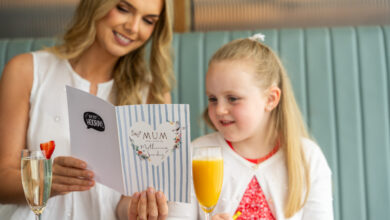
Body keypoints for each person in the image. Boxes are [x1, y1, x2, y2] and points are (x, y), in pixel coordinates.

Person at [0, 0, 174, 219]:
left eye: (148, 21)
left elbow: (124, 204)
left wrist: (137, 210)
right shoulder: (27, 71)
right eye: (123, 9)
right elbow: (2, 181)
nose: (134, 27)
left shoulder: (152, 94)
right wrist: (47, 181)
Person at [170, 34, 334, 219]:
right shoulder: (196, 154)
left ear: (271, 99)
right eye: (213, 99)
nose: (220, 109)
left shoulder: (308, 158)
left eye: (233, 99)